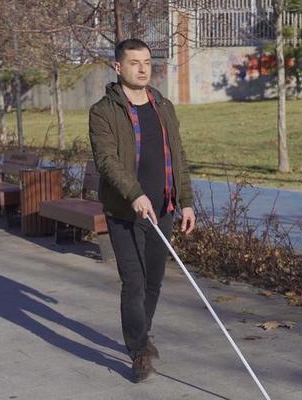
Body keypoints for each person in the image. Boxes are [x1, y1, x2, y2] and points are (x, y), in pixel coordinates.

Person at [88, 38, 196, 383]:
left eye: (147, 62)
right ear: (118, 67)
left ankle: (142, 334)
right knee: (133, 283)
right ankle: (138, 351)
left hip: (162, 207)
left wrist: (187, 201)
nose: (143, 68)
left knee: (154, 282)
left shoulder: (162, 106)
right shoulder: (103, 111)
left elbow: (177, 156)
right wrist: (134, 193)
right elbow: (106, 161)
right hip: (125, 210)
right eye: (134, 62)